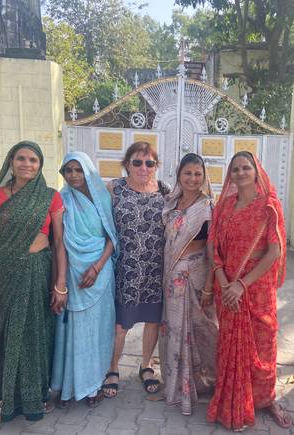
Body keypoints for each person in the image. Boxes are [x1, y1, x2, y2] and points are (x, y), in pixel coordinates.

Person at [0, 141, 67, 423]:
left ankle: (36, 396)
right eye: (21, 159)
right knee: (5, 338)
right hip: (3, 276)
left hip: (37, 273)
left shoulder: (50, 197)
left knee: (36, 336)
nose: (27, 164)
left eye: (33, 160)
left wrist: (60, 285)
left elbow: (59, 244)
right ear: (11, 162)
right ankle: (6, 397)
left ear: (40, 165)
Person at [206, 151, 292, 430]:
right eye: (235, 169)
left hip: (255, 290)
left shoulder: (268, 206)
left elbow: (274, 252)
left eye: (246, 168)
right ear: (230, 175)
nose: (241, 173)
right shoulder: (225, 206)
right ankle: (231, 397)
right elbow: (212, 247)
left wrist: (242, 285)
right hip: (226, 289)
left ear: (256, 172)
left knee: (263, 346)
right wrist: (222, 280)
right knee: (229, 346)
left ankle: (265, 400)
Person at [102, 141, 170, 398]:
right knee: (122, 323)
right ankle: (112, 367)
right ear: (127, 164)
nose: (144, 167)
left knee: (152, 321)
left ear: (156, 166)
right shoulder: (114, 188)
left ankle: (146, 366)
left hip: (155, 267)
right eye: (137, 162)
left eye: (149, 163)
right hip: (127, 268)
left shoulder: (164, 190)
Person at [51, 152, 118, 407]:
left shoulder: (104, 197)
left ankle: (94, 384)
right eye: (68, 170)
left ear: (88, 171)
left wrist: (98, 267)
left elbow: (112, 237)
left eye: (78, 170)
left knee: (99, 329)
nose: (73, 175)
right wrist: (61, 283)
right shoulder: (61, 199)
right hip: (73, 274)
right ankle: (70, 385)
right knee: (75, 330)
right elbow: (60, 244)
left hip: (99, 274)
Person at [159, 153, 218, 416]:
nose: (193, 178)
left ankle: (206, 381)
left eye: (197, 173)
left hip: (195, 278)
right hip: (172, 279)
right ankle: (179, 384)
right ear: (179, 175)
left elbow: (213, 251)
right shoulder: (171, 203)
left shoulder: (207, 207)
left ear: (204, 176)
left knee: (201, 331)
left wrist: (209, 286)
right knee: (174, 331)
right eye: (187, 173)